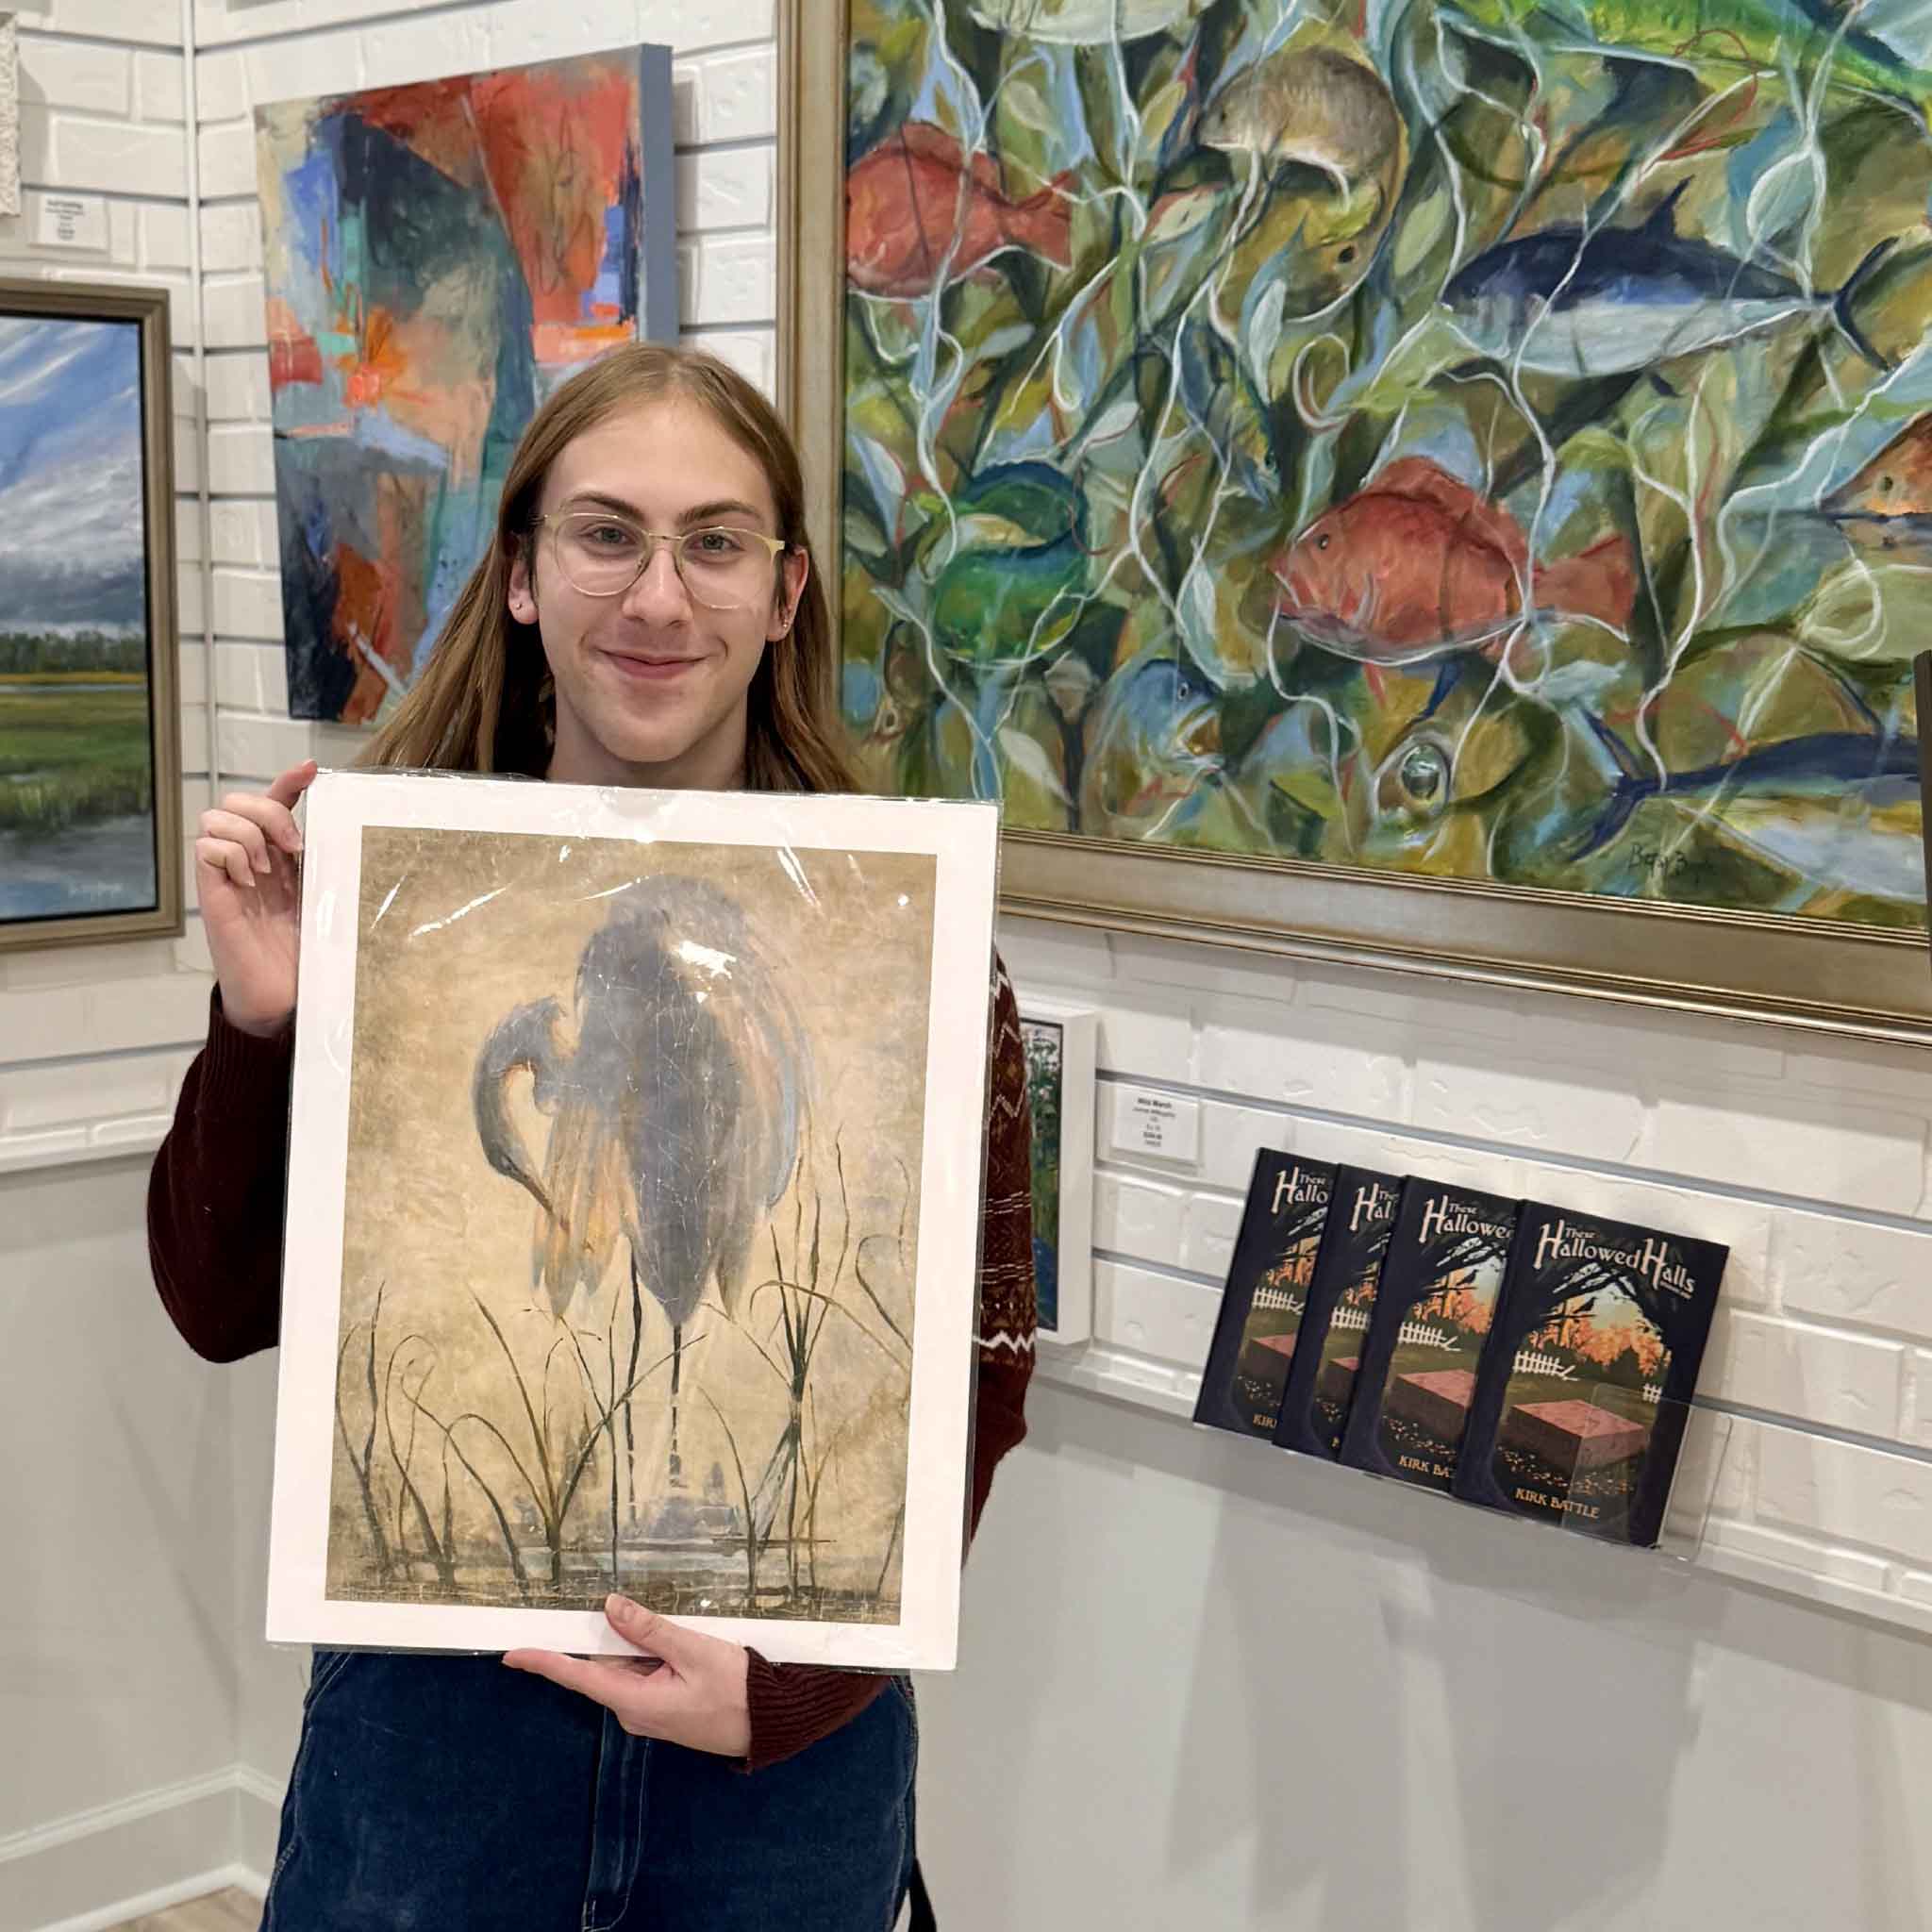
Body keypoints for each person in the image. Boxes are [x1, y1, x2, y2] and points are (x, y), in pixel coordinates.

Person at [145, 344, 1037, 1930]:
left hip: (774, 1775)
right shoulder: (399, 918)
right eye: (607, 534)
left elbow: (979, 1380)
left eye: (714, 542)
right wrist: (268, 1022)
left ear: (784, 594)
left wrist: (801, 1690)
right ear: (523, 577)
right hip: (440, 1741)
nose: (657, 598)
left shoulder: (904, 945)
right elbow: (219, 1308)